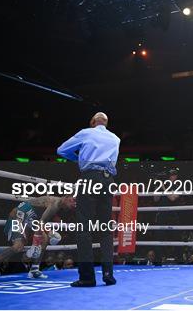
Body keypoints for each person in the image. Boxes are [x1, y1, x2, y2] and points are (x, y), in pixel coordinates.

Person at [57, 112, 120, 287]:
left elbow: (61, 150)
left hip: (90, 178)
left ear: (93, 122)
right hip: (108, 180)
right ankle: (108, 274)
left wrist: (79, 158)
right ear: (106, 123)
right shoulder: (115, 138)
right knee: (105, 229)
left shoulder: (86, 132)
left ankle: (87, 277)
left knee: (84, 228)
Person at [0, 195, 75, 285]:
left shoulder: (56, 207)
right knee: (18, 246)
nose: (74, 204)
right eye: (73, 200)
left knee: (45, 238)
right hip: (19, 216)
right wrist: (35, 245)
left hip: (30, 220)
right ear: (66, 197)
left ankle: (34, 269)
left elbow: (41, 221)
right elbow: (40, 223)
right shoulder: (55, 204)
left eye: (76, 203)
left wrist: (49, 233)